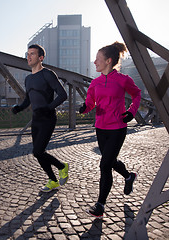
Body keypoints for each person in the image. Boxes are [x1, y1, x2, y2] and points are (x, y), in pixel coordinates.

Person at [79, 42, 141, 218]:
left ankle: (100, 205)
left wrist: (131, 112)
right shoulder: (95, 82)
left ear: (108, 60)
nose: (94, 62)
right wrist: (85, 108)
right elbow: (91, 101)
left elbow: (137, 94)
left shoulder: (123, 80)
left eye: (97, 59)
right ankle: (129, 176)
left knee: (105, 164)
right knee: (110, 160)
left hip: (117, 128)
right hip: (101, 128)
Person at [12, 44, 69, 192]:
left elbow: (63, 95)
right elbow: (28, 100)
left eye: (32, 54)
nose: (28, 57)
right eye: (27, 54)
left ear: (41, 58)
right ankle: (53, 181)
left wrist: (48, 108)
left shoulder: (47, 74)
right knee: (38, 153)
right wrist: (19, 107)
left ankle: (62, 167)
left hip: (48, 119)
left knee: (37, 151)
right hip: (36, 120)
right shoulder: (28, 79)